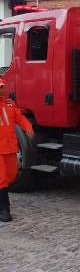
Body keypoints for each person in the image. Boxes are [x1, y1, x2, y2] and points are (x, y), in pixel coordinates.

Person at [0, 78, 34, 222]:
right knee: (1, 179)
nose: (2, 89)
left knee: (12, 175)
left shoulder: (9, 103)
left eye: (2, 86)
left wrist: (28, 127)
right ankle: (4, 210)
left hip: (10, 148)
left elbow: (19, 118)